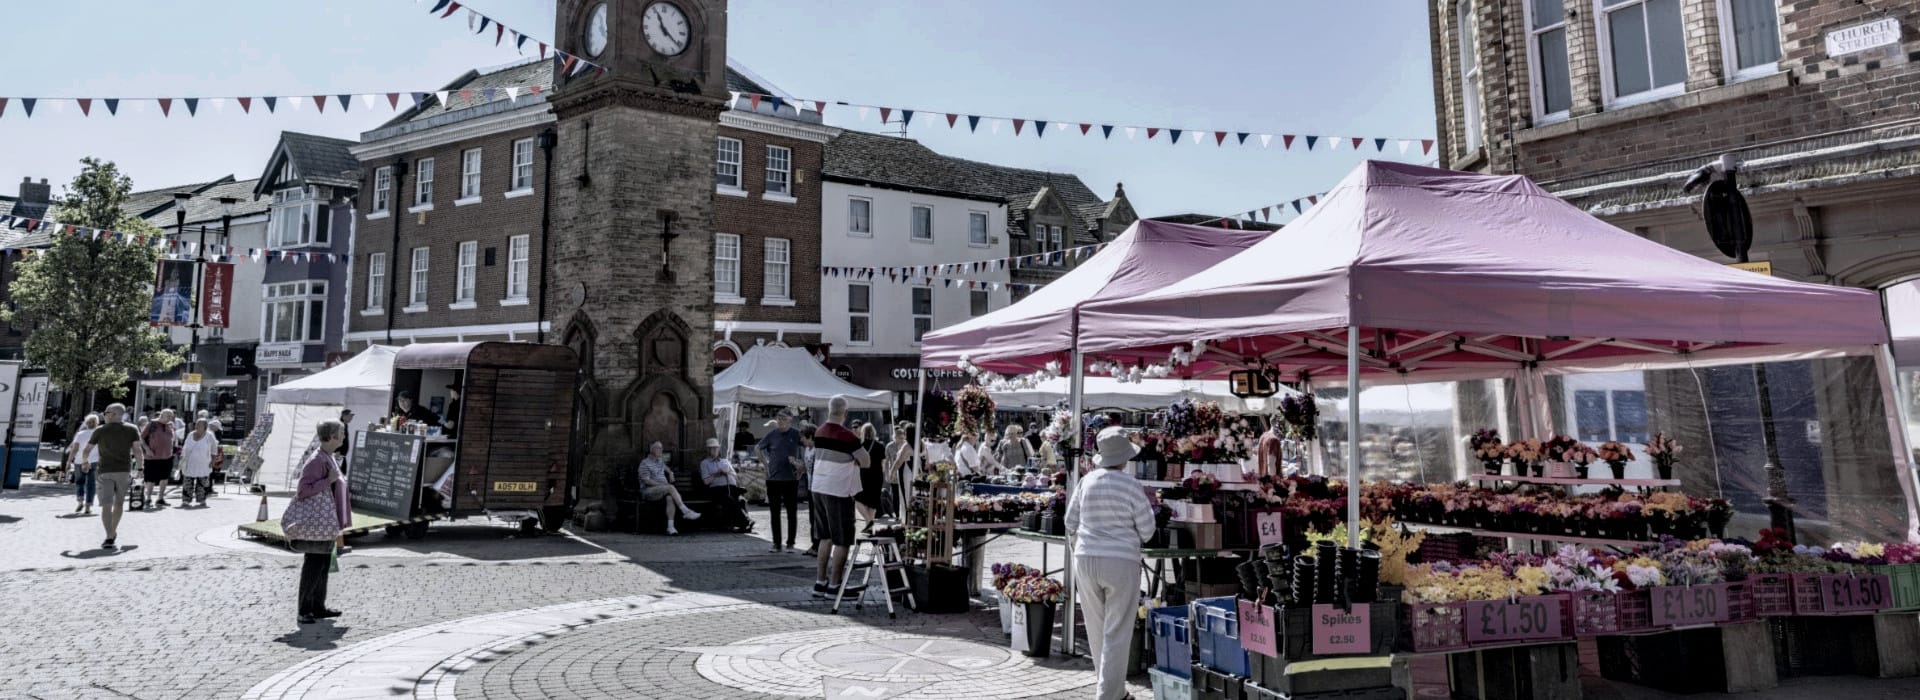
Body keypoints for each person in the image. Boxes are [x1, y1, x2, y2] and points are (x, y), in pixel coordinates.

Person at [1065, 427, 1157, 700]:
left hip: (1085, 557)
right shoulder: (1131, 485)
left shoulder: (1087, 481)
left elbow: (1070, 522)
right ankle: (1108, 695)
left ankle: (1111, 691)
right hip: (1120, 560)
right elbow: (1148, 530)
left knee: (1096, 629)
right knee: (1117, 631)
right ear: (1124, 458)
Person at [288, 420, 350, 624]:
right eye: (341, 433)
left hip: (325, 524)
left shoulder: (328, 457)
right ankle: (304, 609)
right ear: (332, 436)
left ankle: (317, 606)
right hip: (317, 524)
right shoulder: (317, 460)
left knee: (323, 564)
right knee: (314, 565)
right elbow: (303, 491)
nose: (343, 436)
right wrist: (328, 480)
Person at [808, 396, 870, 596]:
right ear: (845, 412)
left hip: (818, 487)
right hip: (838, 489)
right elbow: (866, 461)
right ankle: (835, 585)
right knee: (842, 539)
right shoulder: (848, 436)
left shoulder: (819, 432)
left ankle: (820, 582)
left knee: (824, 537)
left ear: (829, 410)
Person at [81, 404, 145, 549]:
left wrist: (85, 462)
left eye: (106, 412)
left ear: (114, 414)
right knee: (118, 504)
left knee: (106, 505)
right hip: (123, 471)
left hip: (105, 471)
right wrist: (140, 468)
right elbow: (138, 450)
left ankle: (109, 536)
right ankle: (112, 532)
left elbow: (87, 449)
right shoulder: (132, 429)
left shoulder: (100, 430)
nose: (103, 415)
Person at [755, 411, 805, 553]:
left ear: (790, 420)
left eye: (784, 419)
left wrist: (801, 467)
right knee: (774, 512)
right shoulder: (772, 434)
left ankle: (790, 543)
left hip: (791, 478)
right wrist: (765, 464)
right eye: (779, 418)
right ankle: (776, 544)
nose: (781, 421)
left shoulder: (795, 434)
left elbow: (808, 445)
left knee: (791, 512)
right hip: (774, 478)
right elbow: (758, 447)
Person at [636, 441, 701, 535]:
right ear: (652, 449)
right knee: (670, 487)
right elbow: (646, 481)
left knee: (670, 498)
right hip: (648, 491)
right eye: (658, 448)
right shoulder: (644, 463)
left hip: (662, 490)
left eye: (661, 448)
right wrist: (662, 485)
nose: (661, 450)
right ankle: (685, 511)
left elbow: (667, 468)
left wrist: (671, 473)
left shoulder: (660, 461)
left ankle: (670, 527)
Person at [699, 437, 750, 532]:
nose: (714, 450)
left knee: (740, 500)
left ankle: (740, 525)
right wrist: (716, 474)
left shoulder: (725, 461)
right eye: (711, 448)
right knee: (728, 499)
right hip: (717, 490)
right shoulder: (704, 463)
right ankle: (746, 522)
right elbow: (706, 481)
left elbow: (735, 475)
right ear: (708, 450)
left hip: (731, 487)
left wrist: (728, 472)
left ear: (719, 449)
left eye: (716, 448)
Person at [139, 409, 178, 509]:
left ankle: (160, 498)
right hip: (152, 457)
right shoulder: (152, 424)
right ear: (161, 415)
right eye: (168, 416)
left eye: (171, 416)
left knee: (164, 478)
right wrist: (147, 449)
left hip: (167, 456)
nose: (170, 418)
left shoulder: (170, 425)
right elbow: (141, 438)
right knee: (150, 478)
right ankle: (148, 498)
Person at [179, 419, 219, 507]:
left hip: (204, 463)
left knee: (202, 482)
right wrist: (182, 458)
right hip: (190, 463)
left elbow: (214, 450)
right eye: (196, 424)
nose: (196, 426)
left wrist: (213, 461)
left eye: (199, 425)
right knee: (187, 482)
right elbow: (185, 447)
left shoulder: (209, 435)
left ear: (205, 427)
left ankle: (202, 500)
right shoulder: (190, 434)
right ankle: (186, 500)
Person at [854, 423, 888, 525]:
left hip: (863, 475)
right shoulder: (880, 445)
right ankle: (870, 523)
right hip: (877, 476)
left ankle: (868, 522)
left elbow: (855, 462)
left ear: (863, 432)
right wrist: (884, 474)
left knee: (858, 498)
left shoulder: (860, 445)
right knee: (873, 501)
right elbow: (883, 463)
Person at [67, 414, 101, 515]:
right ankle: (88, 506)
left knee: (79, 482)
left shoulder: (80, 434)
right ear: (97, 423)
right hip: (94, 461)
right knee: (91, 484)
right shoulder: (100, 434)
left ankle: (80, 500)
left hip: (79, 461)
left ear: (86, 424)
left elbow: (75, 449)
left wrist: (69, 461)